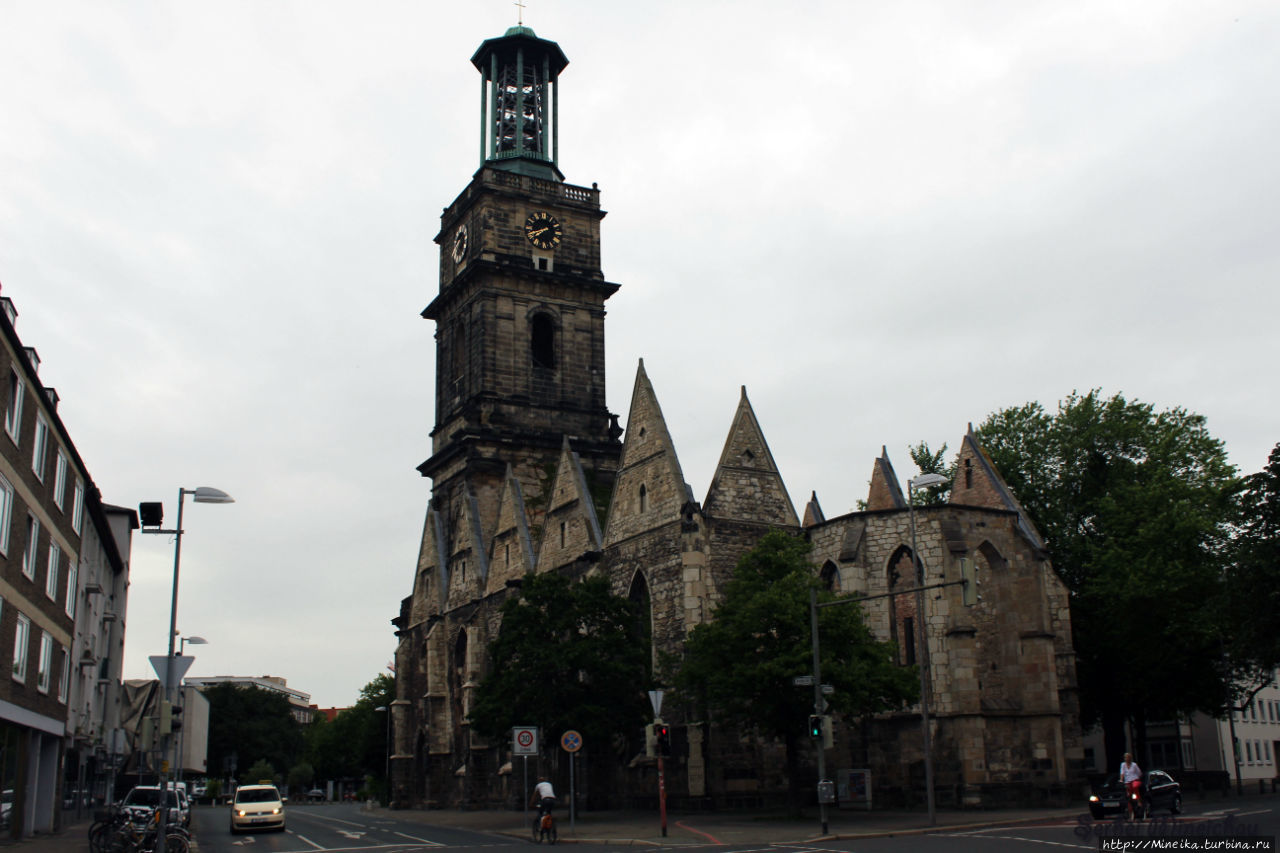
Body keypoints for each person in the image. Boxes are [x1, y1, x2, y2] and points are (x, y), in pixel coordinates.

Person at [1119, 752, 1142, 818]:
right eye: (1125, 758)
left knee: (1135, 786)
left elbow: (1139, 773)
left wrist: (1137, 778)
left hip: (1135, 780)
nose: (1126, 759)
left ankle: (1139, 801)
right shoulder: (1123, 765)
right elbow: (1122, 773)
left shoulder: (1134, 765)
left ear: (1130, 758)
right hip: (1127, 781)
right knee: (1128, 796)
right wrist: (1121, 779)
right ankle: (1130, 810)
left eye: (1128, 757)